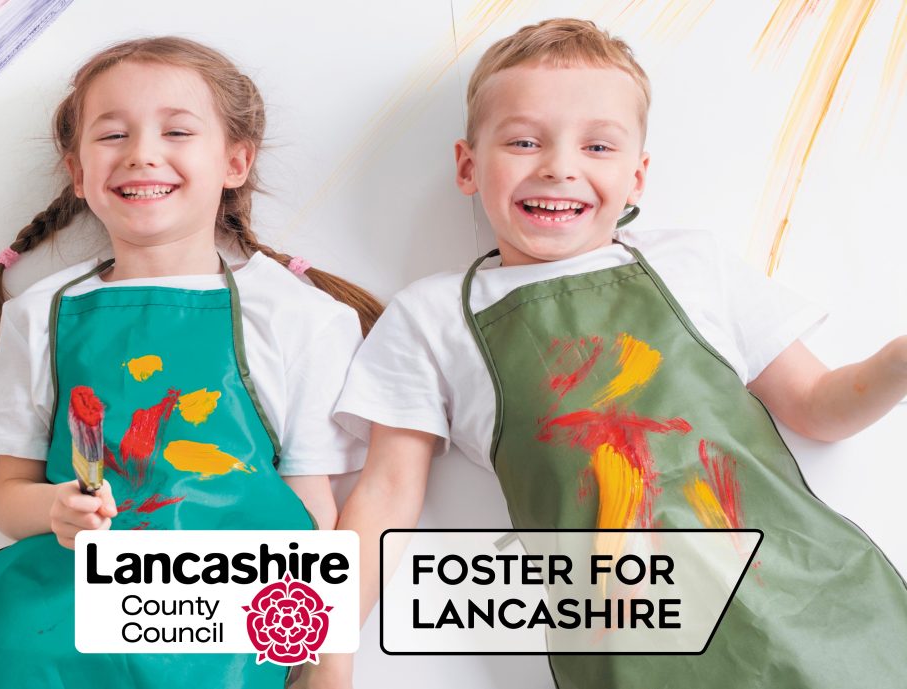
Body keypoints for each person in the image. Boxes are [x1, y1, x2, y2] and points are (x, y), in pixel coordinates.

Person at [315, 18, 907, 689]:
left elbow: (818, 407)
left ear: (637, 177)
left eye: (597, 144)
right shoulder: (432, 316)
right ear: (468, 165)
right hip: (635, 649)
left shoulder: (693, 263)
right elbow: (386, 493)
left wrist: (897, 359)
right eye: (523, 140)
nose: (560, 165)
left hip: (818, 605)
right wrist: (330, 658)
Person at [0, 36, 380, 689]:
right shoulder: (42, 315)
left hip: (220, 641)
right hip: (52, 635)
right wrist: (56, 507)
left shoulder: (299, 319)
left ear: (235, 161)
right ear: (78, 173)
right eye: (113, 134)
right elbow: (7, 500)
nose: (141, 152)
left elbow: (312, 518)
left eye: (177, 130)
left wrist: (322, 668)